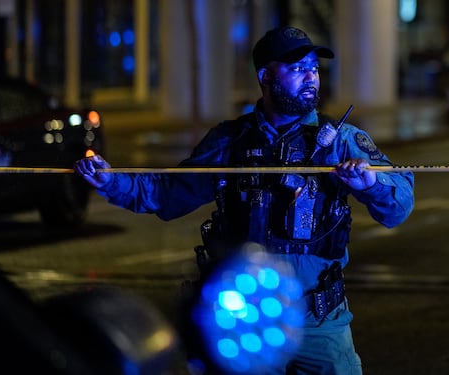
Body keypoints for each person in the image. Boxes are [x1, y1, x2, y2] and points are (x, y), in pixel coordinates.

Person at [75, 26, 414, 375]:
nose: (310, 76)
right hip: (245, 326)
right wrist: (110, 181)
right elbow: (167, 194)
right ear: (265, 76)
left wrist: (370, 183)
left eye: (313, 68)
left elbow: (399, 207)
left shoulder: (342, 141)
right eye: (297, 68)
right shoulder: (230, 142)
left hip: (320, 325)